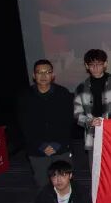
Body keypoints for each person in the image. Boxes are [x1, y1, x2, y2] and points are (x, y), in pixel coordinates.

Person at [17, 59, 73, 187]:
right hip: (36, 149)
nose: (43, 76)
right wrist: (41, 146)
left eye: (47, 72)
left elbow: (68, 122)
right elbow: (24, 125)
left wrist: (56, 144)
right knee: (43, 185)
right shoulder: (25, 97)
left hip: (61, 147)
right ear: (34, 75)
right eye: (39, 72)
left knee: (64, 184)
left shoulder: (63, 93)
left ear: (52, 75)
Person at [73, 48, 111, 152]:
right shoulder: (81, 88)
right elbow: (77, 115)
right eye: (92, 64)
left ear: (105, 64)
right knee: (94, 163)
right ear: (86, 66)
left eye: (99, 64)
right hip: (92, 137)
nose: (95, 68)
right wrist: (89, 121)